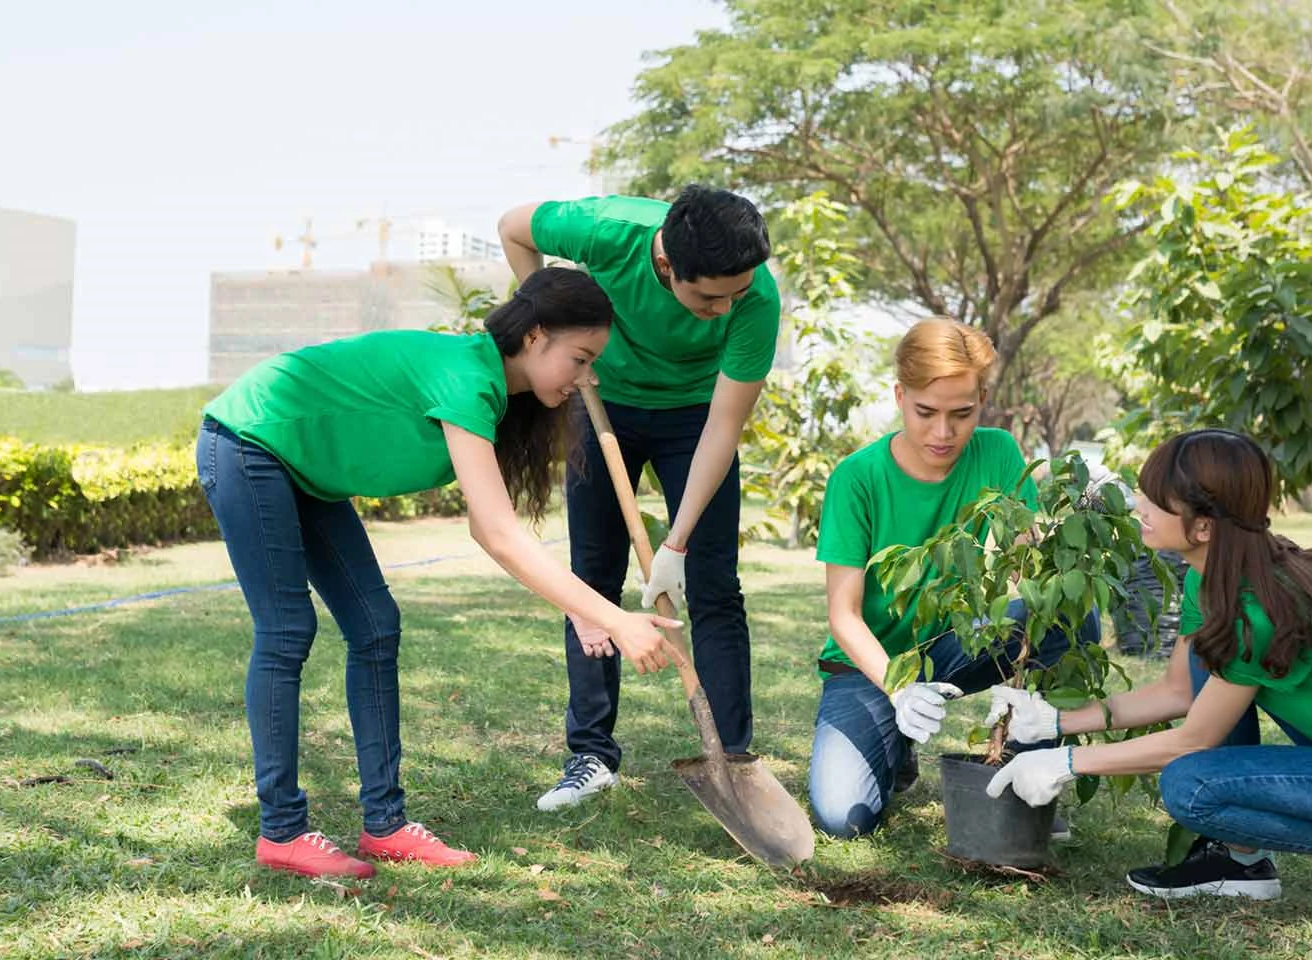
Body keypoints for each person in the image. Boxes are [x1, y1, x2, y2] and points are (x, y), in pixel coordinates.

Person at [196, 267, 679, 879]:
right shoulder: (467, 376)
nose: (588, 378)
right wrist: (613, 616)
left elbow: (487, 526)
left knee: (375, 626)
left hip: (304, 471)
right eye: (581, 358)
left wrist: (583, 606)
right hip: (248, 441)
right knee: (288, 628)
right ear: (534, 337)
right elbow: (501, 535)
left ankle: (386, 825)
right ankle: (282, 831)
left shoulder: (498, 399)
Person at [986, 428, 1312, 940]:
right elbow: (1179, 693)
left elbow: (1193, 739)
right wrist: (1055, 719)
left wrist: (1067, 761)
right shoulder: (1212, 575)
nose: (1139, 505)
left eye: (1157, 500)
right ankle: (1240, 860)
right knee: (1205, 666)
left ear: (1202, 527)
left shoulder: (1257, 609)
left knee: (1191, 786)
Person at [496, 185, 778, 811]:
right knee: (591, 581)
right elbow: (514, 227)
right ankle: (590, 755)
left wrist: (675, 542)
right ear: (668, 265)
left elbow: (724, 426)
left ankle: (731, 757)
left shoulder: (755, 296)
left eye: (736, 294)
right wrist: (557, 336)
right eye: (710, 297)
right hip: (603, 403)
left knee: (713, 585)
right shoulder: (608, 229)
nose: (725, 307)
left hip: (695, 419)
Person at [807, 318, 1101, 839]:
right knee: (842, 818)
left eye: (962, 414)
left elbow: (1028, 568)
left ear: (983, 399)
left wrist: (1070, 534)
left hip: (953, 645)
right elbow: (844, 615)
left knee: (1064, 616)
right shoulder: (857, 477)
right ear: (900, 395)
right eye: (925, 412)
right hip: (871, 664)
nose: (943, 433)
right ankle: (895, 745)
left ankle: (1025, 775)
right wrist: (899, 690)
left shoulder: (997, 452)